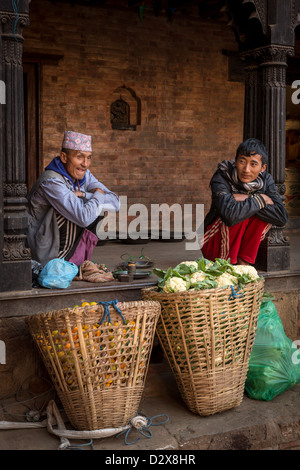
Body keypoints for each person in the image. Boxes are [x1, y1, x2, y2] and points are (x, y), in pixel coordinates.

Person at [26, 131, 120, 274]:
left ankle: (75, 262)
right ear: (64, 157)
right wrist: (98, 193)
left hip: (58, 240)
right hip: (40, 246)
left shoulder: (84, 175)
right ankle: (58, 265)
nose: (85, 164)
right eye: (79, 157)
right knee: (82, 209)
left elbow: (115, 203)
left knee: (90, 204)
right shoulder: (52, 182)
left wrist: (85, 194)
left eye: (89, 158)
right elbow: (83, 218)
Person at [201, 138, 288, 266]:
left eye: (253, 164)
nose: (246, 169)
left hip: (240, 246)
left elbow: (281, 216)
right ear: (236, 162)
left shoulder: (266, 180)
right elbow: (229, 216)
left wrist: (249, 198)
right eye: (242, 162)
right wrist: (261, 199)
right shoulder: (222, 176)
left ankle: (244, 262)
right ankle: (226, 266)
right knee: (240, 213)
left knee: (260, 213)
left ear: (262, 168)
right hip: (212, 242)